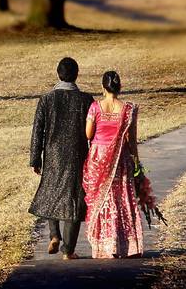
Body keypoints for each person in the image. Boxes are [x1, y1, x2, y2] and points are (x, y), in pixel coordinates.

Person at [28, 57, 95, 260]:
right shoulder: (86, 100)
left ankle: (54, 235)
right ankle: (68, 250)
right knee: (74, 198)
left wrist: (35, 158)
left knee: (51, 192)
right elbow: (93, 131)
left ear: (58, 74)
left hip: (53, 154)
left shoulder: (46, 99)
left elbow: (37, 131)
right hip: (77, 154)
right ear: (76, 74)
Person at [83, 70, 144, 258]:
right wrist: (137, 164)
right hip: (120, 158)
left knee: (103, 202)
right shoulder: (128, 109)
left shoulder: (95, 107)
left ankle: (105, 246)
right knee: (120, 199)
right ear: (120, 87)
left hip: (99, 157)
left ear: (103, 87)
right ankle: (124, 245)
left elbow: (88, 134)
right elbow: (131, 140)